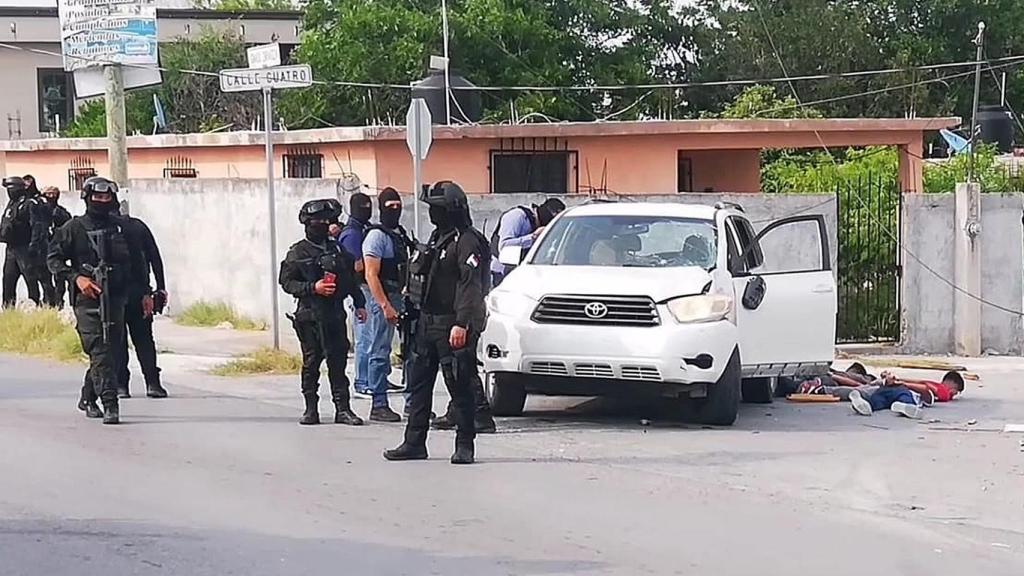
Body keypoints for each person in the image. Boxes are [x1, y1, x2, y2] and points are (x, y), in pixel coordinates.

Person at [384, 181, 490, 465]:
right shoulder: (437, 237)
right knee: (419, 385)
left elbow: (472, 286)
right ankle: (414, 442)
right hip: (425, 323)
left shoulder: (468, 240)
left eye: (437, 208)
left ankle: (465, 444)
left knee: (460, 385)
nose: (433, 214)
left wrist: (462, 323)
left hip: (453, 324)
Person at [47, 176, 135, 425]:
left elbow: (137, 264)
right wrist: (77, 279)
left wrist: (146, 293)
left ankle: (87, 397)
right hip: (88, 301)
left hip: (117, 298)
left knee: (111, 353)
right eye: (97, 197)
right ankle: (110, 403)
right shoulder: (73, 228)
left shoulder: (121, 228)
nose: (102, 201)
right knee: (100, 349)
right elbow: (52, 259)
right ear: (87, 198)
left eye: (107, 197)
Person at [279, 198, 368, 426]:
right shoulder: (298, 252)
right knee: (311, 364)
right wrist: (313, 288)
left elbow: (349, 280)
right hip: (309, 316)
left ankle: (343, 409)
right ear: (308, 224)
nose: (322, 225)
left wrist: (359, 303)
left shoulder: (337, 249)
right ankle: (311, 409)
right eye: (317, 221)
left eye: (325, 221)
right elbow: (287, 283)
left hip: (335, 315)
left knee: (338, 365)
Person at [361, 187, 413, 422]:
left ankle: (412, 403)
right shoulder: (376, 236)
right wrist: (384, 305)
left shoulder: (399, 233)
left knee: (412, 351)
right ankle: (378, 403)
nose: (395, 210)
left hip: (402, 297)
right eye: (390, 206)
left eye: (397, 205)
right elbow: (371, 275)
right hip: (384, 298)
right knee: (379, 351)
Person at [115, 203, 169, 400]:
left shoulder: (95, 227)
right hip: (139, 292)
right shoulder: (137, 226)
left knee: (117, 339)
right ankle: (152, 383)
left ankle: (122, 385)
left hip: (115, 294)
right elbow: (155, 258)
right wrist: (160, 288)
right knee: (144, 339)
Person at [338, 192, 374, 396]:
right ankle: (362, 381)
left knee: (373, 337)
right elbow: (354, 265)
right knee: (365, 337)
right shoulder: (352, 233)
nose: (367, 210)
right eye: (363, 207)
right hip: (360, 289)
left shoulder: (362, 229)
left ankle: (375, 378)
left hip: (366, 289)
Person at [488, 198, 565, 288]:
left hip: (526, 272)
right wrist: (533, 237)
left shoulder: (536, 225)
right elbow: (504, 245)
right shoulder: (517, 216)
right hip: (502, 272)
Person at [1, 176, 48, 308]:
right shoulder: (11, 204)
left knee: (31, 280)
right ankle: (8, 308)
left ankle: (36, 306)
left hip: (25, 248)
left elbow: (37, 227)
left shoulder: (30, 204)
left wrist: (33, 246)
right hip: (11, 249)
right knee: (8, 280)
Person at [39, 186, 72, 307]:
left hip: (57, 247)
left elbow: (67, 225)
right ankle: (48, 299)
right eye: (49, 194)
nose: (51, 196)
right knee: (45, 276)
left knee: (59, 276)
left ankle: (59, 300)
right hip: (44, 246)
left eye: (53, 194)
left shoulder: (61, 212)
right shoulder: (41, 210)